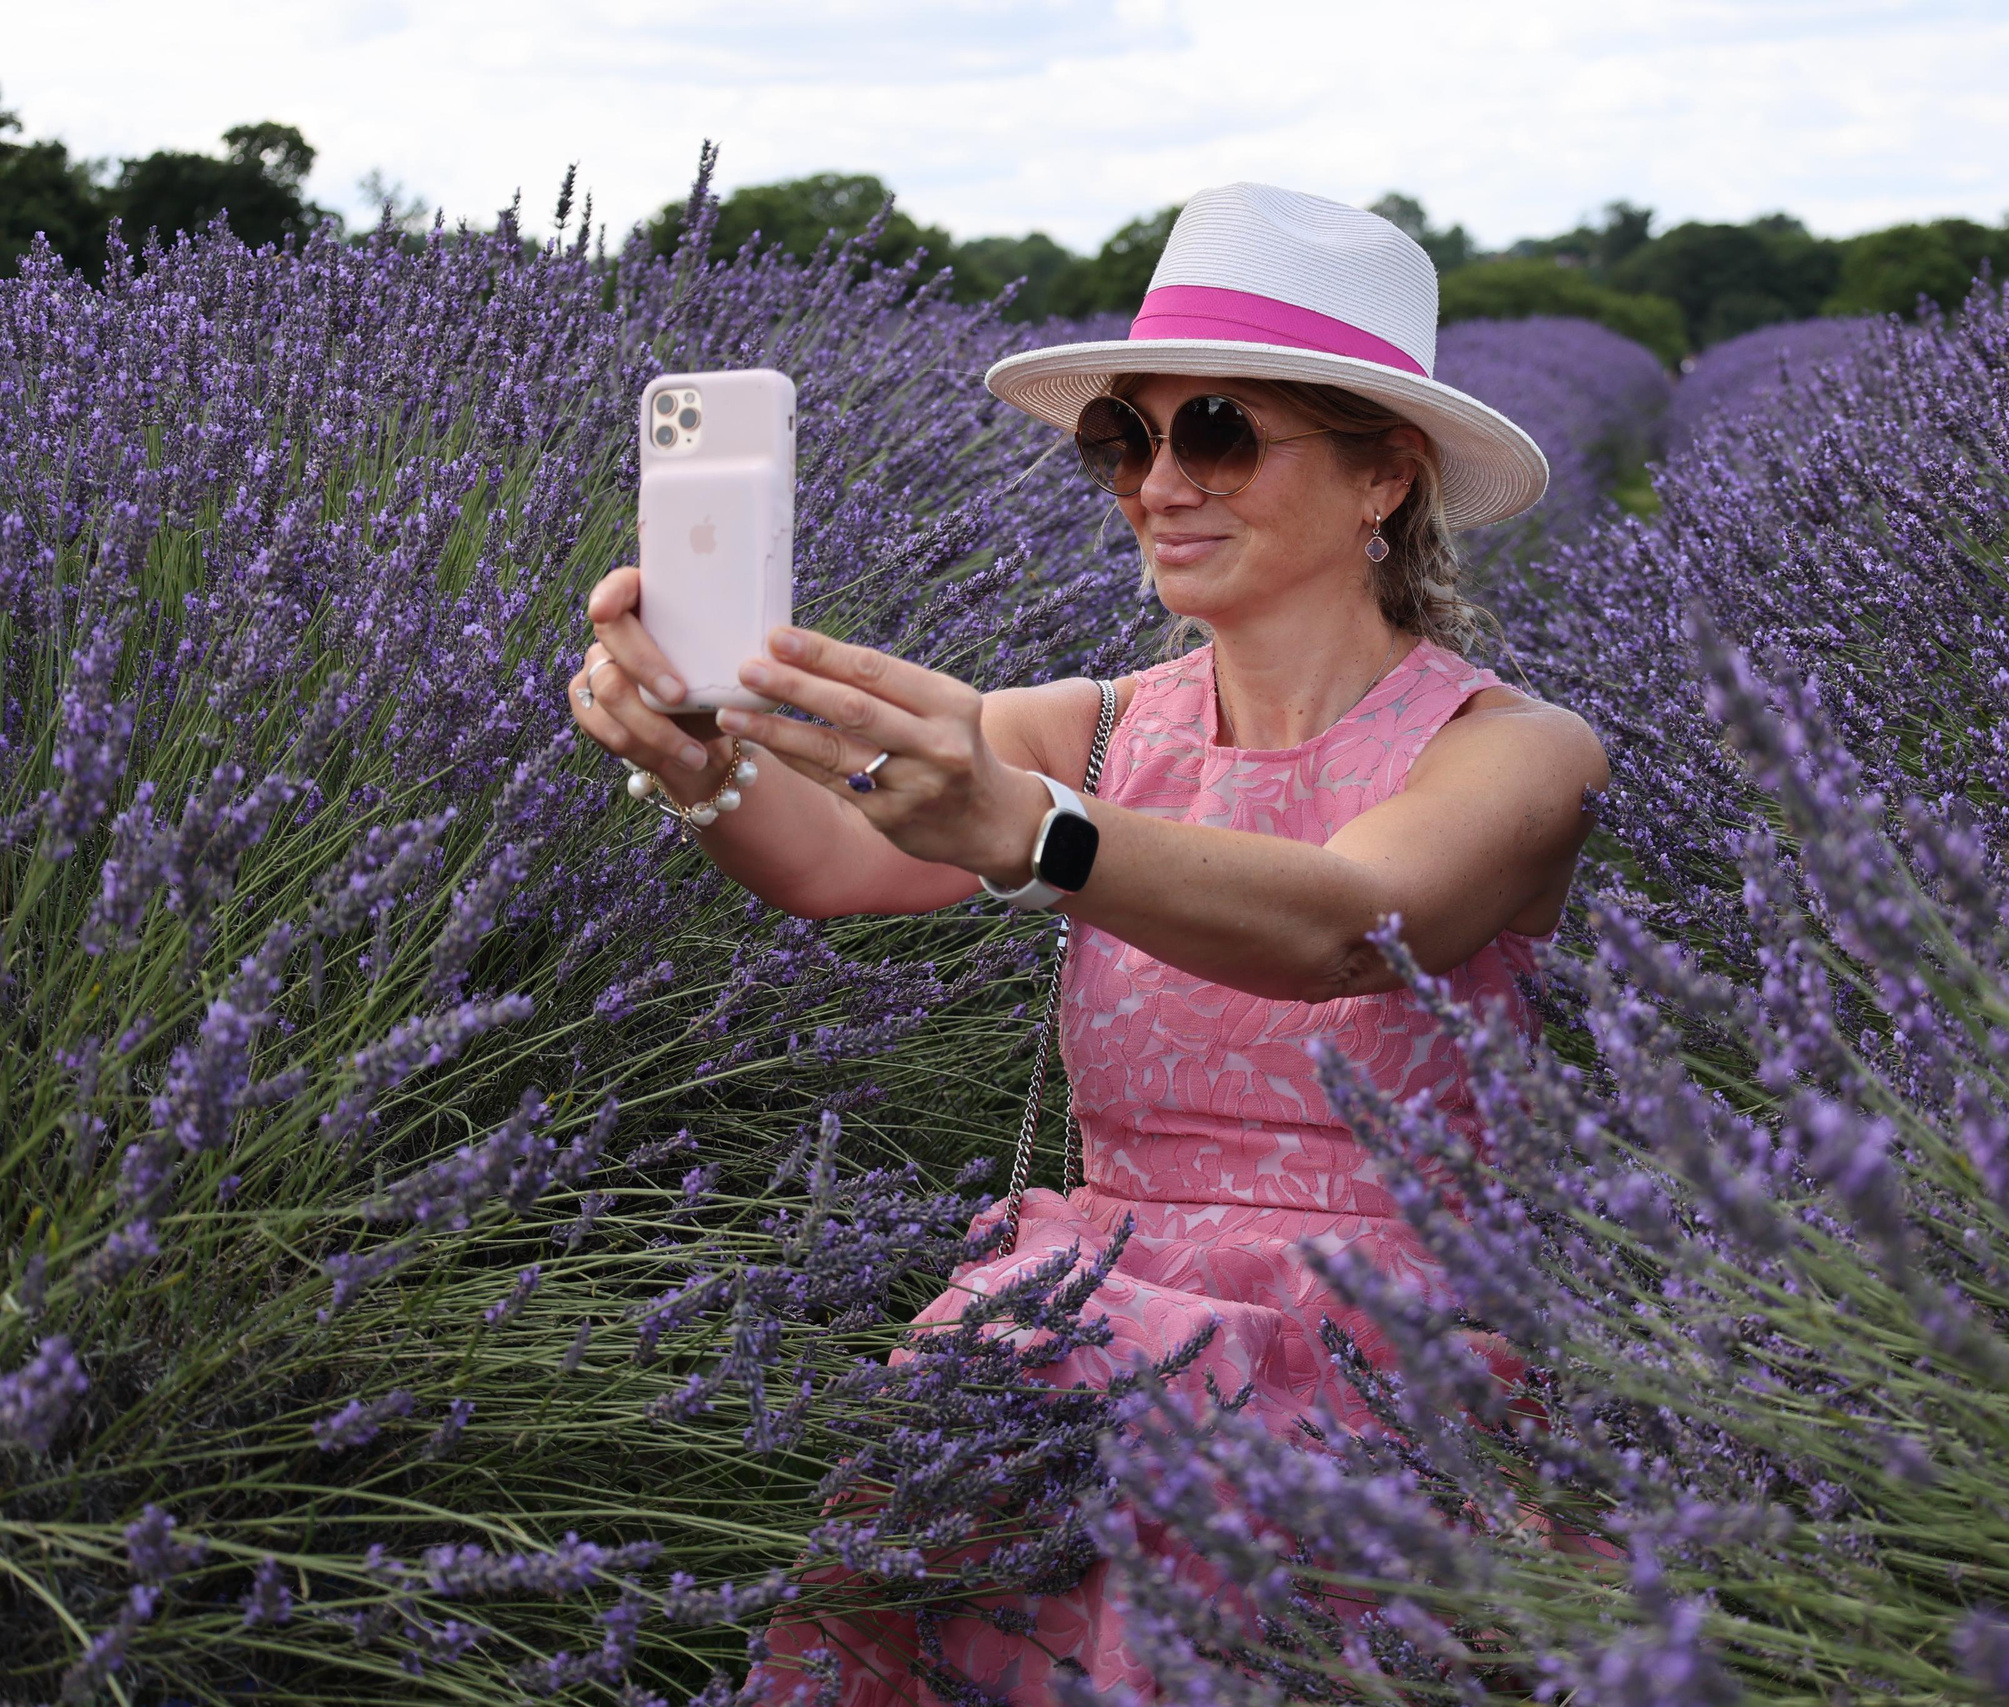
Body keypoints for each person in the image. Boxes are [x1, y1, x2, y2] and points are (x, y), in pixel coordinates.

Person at [568, 181, 1607, 1705]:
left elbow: (1348, 927)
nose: (1158, 483)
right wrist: (698, 765)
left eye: (1218, 432)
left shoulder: (1514, 751)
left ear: (1384, 475)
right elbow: (833, 861)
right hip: (1082, 1344)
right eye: (1127, 437)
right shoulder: (1105, 729)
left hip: (1381, 1383)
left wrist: (1029, 828)